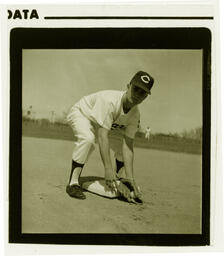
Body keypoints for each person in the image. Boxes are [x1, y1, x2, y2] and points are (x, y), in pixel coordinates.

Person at [66, 71, 154, 200]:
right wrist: (108, 168)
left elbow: (128, 145)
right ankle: (73, 183)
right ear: (128, 86)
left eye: (142, 93)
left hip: (100, 123)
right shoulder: (110, 101)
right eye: (136, 89)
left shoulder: (135, 115)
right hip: (82, 113)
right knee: (88, 139)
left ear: (146, 97)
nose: (137, 95)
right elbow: (102, 135)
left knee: (121, 147)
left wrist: (130, 178)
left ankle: (120, 180)